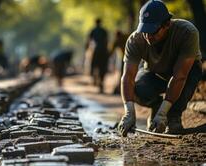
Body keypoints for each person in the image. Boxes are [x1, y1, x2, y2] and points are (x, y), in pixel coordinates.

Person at [118, 0, 202, 136]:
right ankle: (156, 106)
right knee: (138, 87)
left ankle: (173, 116)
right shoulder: (135, 40)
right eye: (144, 30)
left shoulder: (187, 32)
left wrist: (164, 113)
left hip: (184, 74)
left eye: (153, 31)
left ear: (167, 24)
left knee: (192, 72)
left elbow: (179, 76)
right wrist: (129, 113)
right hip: (155, 73)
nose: (147, 36)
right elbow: (127, 78)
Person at [85, 18, 109, 93]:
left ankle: (93, 77)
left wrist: (86, 49)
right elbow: (107, 41)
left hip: (95, 50)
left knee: (93, 65)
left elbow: (88, 41)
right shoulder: (104, 30)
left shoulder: (93, 30)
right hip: (104, 50)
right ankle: (101, 84)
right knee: (103, 66)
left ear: (95, 23)